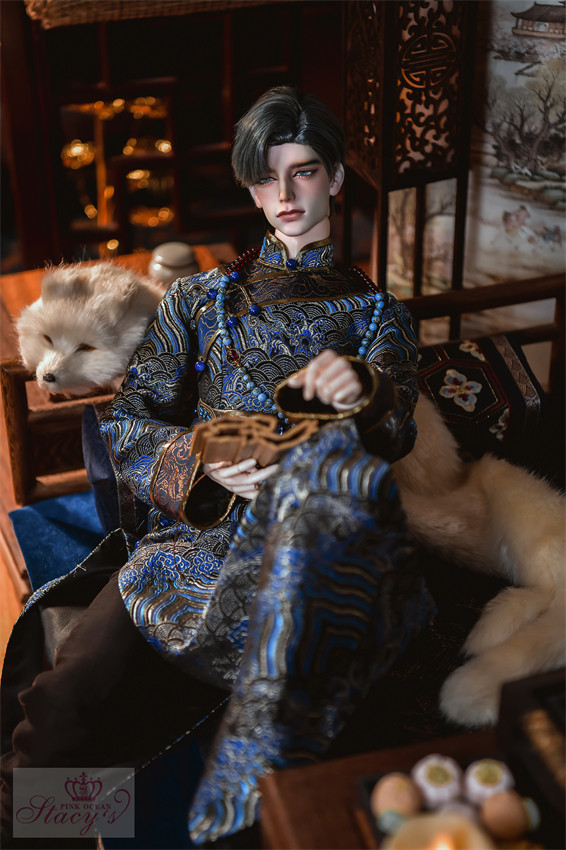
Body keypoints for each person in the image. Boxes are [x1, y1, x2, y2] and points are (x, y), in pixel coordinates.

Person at [1, 86, 433, 847]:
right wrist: (201, 463)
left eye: (304, 172)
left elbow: (397, 431)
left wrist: (363, 390)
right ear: (251, 190)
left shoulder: (379, 316)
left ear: (335, 178)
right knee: (64, 702)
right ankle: (42, 829)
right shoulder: (198, 300)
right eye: (267, 177)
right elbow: (131, 422)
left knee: (269, 751)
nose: (285, 194)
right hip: (192, 547)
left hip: (313, 553)